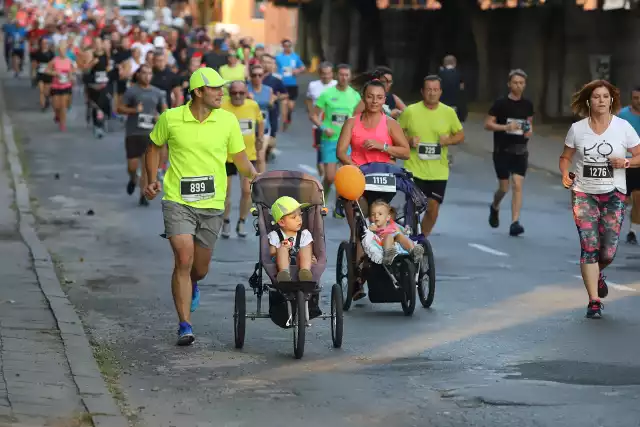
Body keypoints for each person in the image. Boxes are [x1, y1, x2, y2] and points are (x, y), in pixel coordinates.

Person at [145, 68, 259, 345]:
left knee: (200, 269)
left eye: (222, 88)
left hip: (212, 204)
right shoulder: (171, 119)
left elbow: (240, 158)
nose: (222, 93)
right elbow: (153, 146)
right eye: (216, 88)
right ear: (198, 92)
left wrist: (258, 178)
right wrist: (151, 179)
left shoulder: (227, 121)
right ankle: (185, 325)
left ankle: (193, 283)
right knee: (183, 259)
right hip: (178, 200)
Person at [559, 80, 640, 319]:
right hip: (584, 194)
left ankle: (597, 273)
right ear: (589, 101)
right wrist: (565, 173)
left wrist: (626, 162)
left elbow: (639, 155)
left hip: (614, 193)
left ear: (611, 101)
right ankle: (594, 300)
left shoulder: (623, 127)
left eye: (606, 96)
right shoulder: (577, 129)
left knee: (608, 253)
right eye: (596, 97)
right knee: (589, 246)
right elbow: (565, 157)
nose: (601, 100)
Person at [337, 78, 411, 299]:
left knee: (378, 225)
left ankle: (382, 262)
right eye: (370, 96)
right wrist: (355, 169)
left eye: (379, 97)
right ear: (363, 97)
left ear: (384, 99)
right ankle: (357, 278)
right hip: (357, 182)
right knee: (360, 227)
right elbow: (341, 152)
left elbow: (405, 151)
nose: (375, 101)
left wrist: (383, 146)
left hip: (383, 181)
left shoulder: (390, 123)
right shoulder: (352, 123)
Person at [399, 75, 465, 238]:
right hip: (414, 169)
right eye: (429, 90)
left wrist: (449, 140)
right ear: (422, 91)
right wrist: (408, 140)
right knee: (413, 207)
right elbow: (396, 134)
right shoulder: (411, 111)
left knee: (433, 208)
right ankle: (408, 236)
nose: (432, 93)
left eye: (435, 90)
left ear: (440, 92)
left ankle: (422, 240)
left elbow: (461, 135)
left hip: (438, 171)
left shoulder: (448, 112)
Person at [484, 69, 534, 236]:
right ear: (509, 84)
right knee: (504, 188)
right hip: (502, 150)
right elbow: (488, 124)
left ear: (525, 85)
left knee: (517, 185)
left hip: (520, 150)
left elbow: (528, 123)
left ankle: (515, 222)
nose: (518, 86)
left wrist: (528, 131)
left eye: (521, 83)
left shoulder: (528, 105)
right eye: (515, 83)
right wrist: (505, 127)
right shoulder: (500, 104)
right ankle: (495, 206)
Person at [311, 64, 360, 217]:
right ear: (336, 76)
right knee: (331, 177)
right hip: (330, 140)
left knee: (344, 176)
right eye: (341, 74)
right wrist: (324, 128)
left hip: (348, 141)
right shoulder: (327, 94)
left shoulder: (355, 95)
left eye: (347, 75)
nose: (344, 77)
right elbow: (313, 115)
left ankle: (339, 206)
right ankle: (321, 200)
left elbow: (360, 118)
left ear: (350, 77)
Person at [117, 63, 167, 206]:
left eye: (150, 73)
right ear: (138, 75)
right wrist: (134, 110)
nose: (147, 76)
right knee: (132, 166)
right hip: (133, 133)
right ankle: (133, 179)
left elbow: (165, 110)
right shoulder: (131, 91)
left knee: (146, 167)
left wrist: (160, 116)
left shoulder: (157, 92)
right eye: (144, 73)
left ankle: (143, 195)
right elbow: (119, 108)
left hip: (150, 134)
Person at [221, 80, 263, 238]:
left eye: (241, 93)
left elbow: (260, 121)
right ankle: (225, 221)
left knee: (247, 191)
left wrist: (259, 138)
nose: (237, 96)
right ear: (229, 93)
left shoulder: (253, 105)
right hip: (226, 156)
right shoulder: (222, 106)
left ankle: (241, 221)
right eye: (234, 93)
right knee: (225, 192)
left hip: (247, 155)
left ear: (246, 93)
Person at [268, 196, 314, 283]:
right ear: (282, 222)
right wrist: (281, 248)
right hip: (282, 261)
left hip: (300, 260)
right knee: (282, 249)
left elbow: (309, 249)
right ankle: (284, 274)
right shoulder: (275, 236)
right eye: (293, 217)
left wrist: (311, 257)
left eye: (300, 215)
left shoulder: (304, 234)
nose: (299, 219)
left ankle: (305, 272)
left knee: (305, 249)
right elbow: (271, 253)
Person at [368, 200, 423, 265]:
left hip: (396, 241)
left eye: (380, 214)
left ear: (388, 217)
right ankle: (388, 254)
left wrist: (402, 234)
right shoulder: (373, 226)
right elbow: (368, 235)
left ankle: (413, 251)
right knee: (388, 236)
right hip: (384, 241)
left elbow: (399, 232)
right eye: (373, 214)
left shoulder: (393, 225)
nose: (376, 216)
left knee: (400, 236)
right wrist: (371, 229)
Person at [306, 62, 336, 178]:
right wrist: (311, 111)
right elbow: (309, 99)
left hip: (334, 125)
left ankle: (330, 176)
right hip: (318, 125)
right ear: (319, 74)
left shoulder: (337, 85)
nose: (326, 76)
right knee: (320, 155)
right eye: (324, 74)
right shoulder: (313, 85)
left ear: (332, 73)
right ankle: (324, 176)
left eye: (329, 73)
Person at [618, 87, 640, 244]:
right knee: (622, 200)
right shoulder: (622, 115)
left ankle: (633, 231)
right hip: (624, 162)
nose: (638, 101)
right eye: (635, 98)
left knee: (638, 199)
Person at [247, 64, 276, 172]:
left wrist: (272, 103)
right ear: (250, 76)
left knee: (260, 157)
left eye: (260, 75)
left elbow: (271, 108)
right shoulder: (246, 89)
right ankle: (249, 183)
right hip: (248, 128)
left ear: (263, 76)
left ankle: (261, 183)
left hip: (264, 127)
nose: (257, 78)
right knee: (250, 159)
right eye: (254, 75)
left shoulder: (268, 90)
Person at [275, 39, 305, 131]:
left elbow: (303, 67)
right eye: (285, 46)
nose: (287, 48)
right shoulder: (278, 57)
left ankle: (288, 117)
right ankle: (284, 121)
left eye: (289, 46)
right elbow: (274, 67)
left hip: (292, 84)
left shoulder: (295, 57)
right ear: (283, 47)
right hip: (282, 83)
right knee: (284, 103)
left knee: (290, 106)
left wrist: (298, 71)